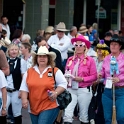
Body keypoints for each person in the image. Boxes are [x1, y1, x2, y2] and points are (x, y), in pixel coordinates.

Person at [20, 46, 67, 124]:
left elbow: (63, 83)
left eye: (44, 56)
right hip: (33, 107)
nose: (42, 58)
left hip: (50, 105)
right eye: (40, 56)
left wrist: (55, 92)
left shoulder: (55, 70)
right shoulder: (29, 72)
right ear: (36, 58)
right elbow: (24, 87)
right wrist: (24, 99)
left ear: (48, 58)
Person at [63, 35, 97, 124]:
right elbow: (66, 72)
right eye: (76, 45)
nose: (78, 47)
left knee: (84, 116)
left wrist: (82, 79)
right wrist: (66, 76)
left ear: (85, 47)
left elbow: (94, 76)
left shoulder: (90, 60)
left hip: (84, 90)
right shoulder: (70, 59)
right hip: (71, 89)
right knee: (67, 114)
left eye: (80, 45)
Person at [98, 35, 124, 124]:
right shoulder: (107, 58)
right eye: (111, 44)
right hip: (107, 91)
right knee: (107, 118)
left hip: (121, 91)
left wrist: (119, 79)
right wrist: (100, 75)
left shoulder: (123, 58)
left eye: (115, 44)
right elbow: (103, 72)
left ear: (120, 46)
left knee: (121, 117)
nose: (113, 46)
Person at [6, 43, 27, 124]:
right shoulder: (5, 61)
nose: (14, 51)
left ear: (18, 51)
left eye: (15, 49)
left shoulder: (21, 62)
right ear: (8, 51)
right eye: (12, 50)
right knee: (2, 110)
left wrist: (22, 90)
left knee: (17, 113)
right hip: (6, 91)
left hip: (16, 91)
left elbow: (23, 77)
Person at [92, 40, 109, 124]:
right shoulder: (93, 59)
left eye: (101, 49)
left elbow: (108, 76)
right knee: (91, 105)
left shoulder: (107, 61)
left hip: (101, 86)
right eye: (98, 49)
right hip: (91, 85)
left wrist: (99, 81)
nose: (99, 51)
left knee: (100, 105)